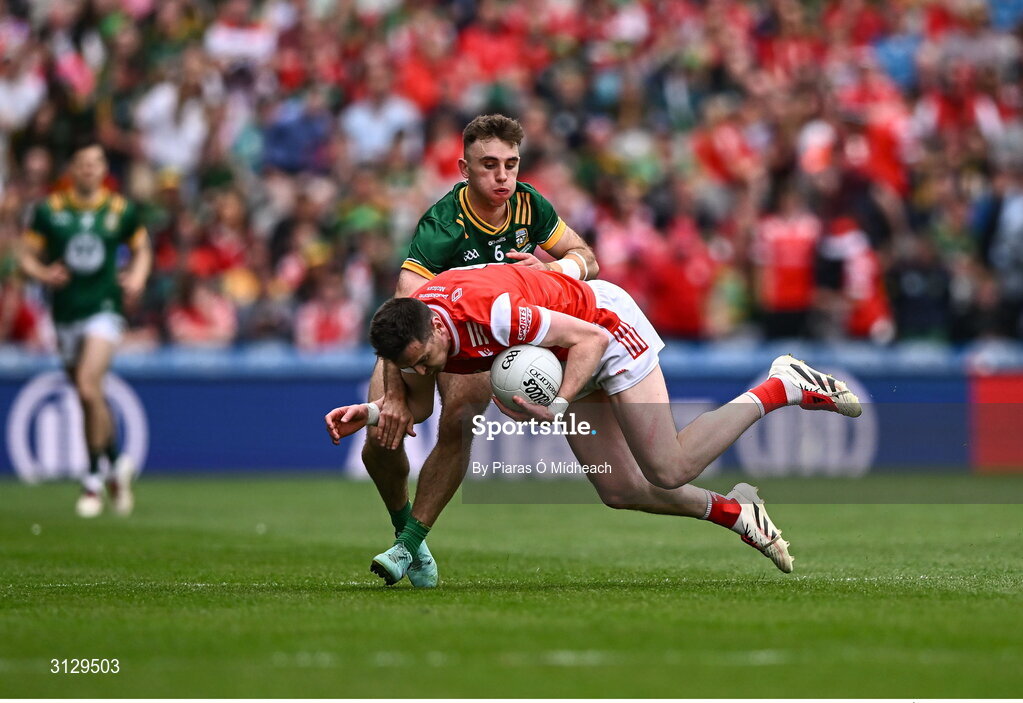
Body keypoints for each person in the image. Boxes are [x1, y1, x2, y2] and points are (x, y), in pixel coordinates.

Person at [326, 264, 862, 584]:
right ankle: (736, 512)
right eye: (413, 365)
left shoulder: (494, 316)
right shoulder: (416, 335)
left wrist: (558, 405)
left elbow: (592, 340)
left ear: (438, 328)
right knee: (620, 488)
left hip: (602, 326)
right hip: (559, 354)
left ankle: (781, 384)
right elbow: (420, 406)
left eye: (427, 358)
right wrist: (373, 412)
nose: (424, 371)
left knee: (668, 467)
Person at [325, 114, 598, 588]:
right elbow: (402, 313)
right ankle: (404, 529)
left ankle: (407, 545)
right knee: (380, 443)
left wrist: (558, 271)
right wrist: (392, 395)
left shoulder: (530, 207)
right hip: (424, 332)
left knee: (459, 418)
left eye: (511, 165)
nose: (502, 177)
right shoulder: (441, 226)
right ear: (464, 167)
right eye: (488, 165)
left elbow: (588, 258)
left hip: (482, 338)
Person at [19, 140, 152, 518]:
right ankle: (116, 462)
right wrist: (44, 273)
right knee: (87, 396)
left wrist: (138, 277)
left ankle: (92, 479)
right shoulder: (50, 210)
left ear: (104, 168)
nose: (90, 169)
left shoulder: (119, 209)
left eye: (97, 162)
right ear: (72, 170)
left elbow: (142, 248)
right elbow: (25, 255)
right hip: (65, 313)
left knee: (88, 385)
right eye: (83, 163)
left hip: (104, 308)